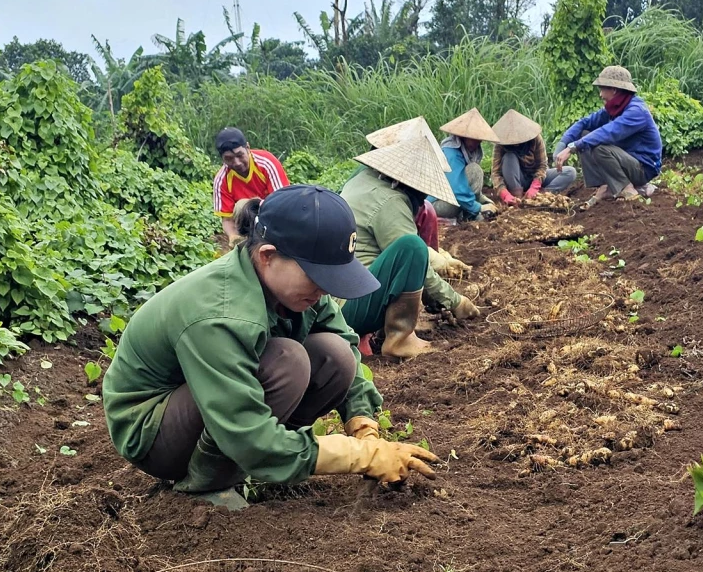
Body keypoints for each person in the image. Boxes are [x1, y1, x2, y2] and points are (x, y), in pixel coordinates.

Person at [103, 186, 436, 511]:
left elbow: (345, 345)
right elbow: (244, 427)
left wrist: (364, 427)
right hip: (152, 430)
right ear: (267, 256)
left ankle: (276, 459)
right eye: (318, 276)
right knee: (287, 362)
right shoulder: (220, 315)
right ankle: (207, 484)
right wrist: (357, 456)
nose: (324, 290)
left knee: (335, 354)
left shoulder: (297, 291)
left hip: (207, 403)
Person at [341, 126, 482, 357]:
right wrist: (455, 301)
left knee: (411, 248)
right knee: (412, 247)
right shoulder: (389, 201)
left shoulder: (362, 179)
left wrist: (430, 296)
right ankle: (400, 338)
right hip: (351, 306)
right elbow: (413, 258)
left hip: (338, 298)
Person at [554, 66, 662, 206]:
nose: (600, 95)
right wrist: (563, 144)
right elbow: (585, 123)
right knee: (584, 134)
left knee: (598, 146)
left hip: (643, 168)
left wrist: (572, 147)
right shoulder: (616, 107)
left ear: (614, 90)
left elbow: (608, 132)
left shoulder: (636, 111)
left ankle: (626, 188)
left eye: (602, 89)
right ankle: (605, 186)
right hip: (627, 160)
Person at [213, 127, 290, 246]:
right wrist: (233, 236)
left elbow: (282, 202)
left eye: (240, 155)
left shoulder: (266, 163)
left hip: (275, 215)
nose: (237, 162)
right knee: (241, 207)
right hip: (247, 225)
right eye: (229, 159)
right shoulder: (221, 180)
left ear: (248, 147)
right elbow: (227, 219)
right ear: (222, 159)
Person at [490, 110, 577, 203]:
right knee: (509, 157)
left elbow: (542, 165)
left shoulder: (535, 139)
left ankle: (542, 196)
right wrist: (505, 194)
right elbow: (495, 173)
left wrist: (535, 187)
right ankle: (517, 197)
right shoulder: (501, 144)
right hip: (517, 179)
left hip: (535, 176)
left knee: (570, 172)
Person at [431, 109, 496, 222]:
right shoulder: (451, 152)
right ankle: (470, 214)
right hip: (435, 204)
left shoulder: (467, 151)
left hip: (449, 200)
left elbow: (466, 186)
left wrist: (485, 201)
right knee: (475, 170)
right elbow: (457, 189)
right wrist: (479, 207)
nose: (477, 143)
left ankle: (470, 212)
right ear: (464, 136)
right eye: (474, 139)